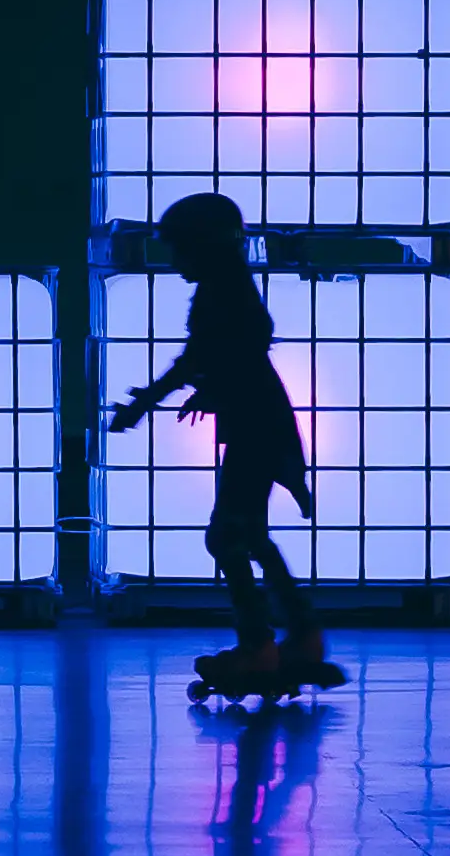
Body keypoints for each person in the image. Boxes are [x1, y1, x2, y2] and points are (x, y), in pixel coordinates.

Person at [106, 191, 346, 701]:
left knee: (230, 536)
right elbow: (225, 352)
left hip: (254, 425)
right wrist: (203, 390)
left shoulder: (220, 289)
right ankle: (300, 636)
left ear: (202, 245)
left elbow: (202, 355)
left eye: (179, 250)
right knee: (246, 534)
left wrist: (147, 402)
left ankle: (261, 644)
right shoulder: (229, 284)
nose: (174, 262)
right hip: (258, 421)